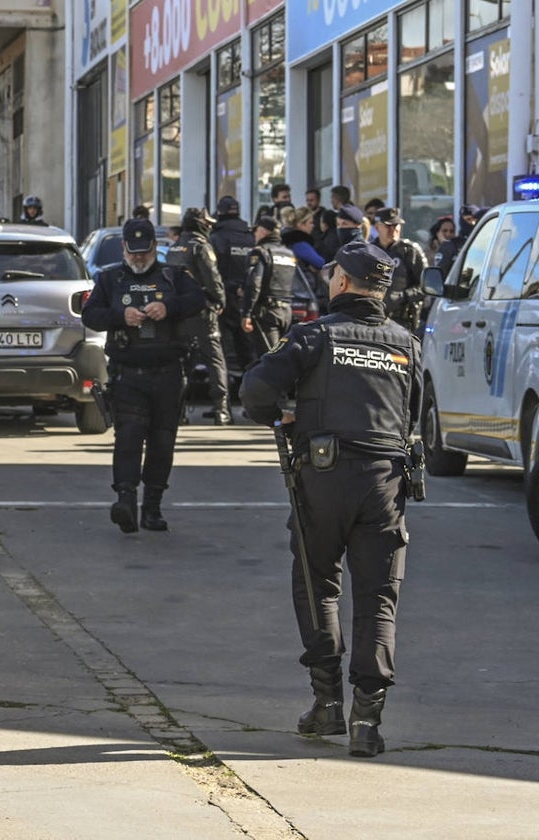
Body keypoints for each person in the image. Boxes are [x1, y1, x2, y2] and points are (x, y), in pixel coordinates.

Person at [240, 240, 422, 759]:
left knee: (318, 583)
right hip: (386, 482)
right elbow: (413, 414)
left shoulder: (314, 336)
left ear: (342, 282)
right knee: (378, 595)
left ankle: (326, 704)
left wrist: (283, 414)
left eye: (333, 272)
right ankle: (368, 719)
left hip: (323, 478)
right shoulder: (405, 342)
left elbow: (255, 390)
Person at [82, 218, 205, 533]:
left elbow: (199, 300)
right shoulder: (110, 279)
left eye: (145, 251)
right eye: (133, 252)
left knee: (162, 441)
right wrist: (120, 317)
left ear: (154, 248)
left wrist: (169, 308)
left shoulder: (174, 276)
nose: (139, 258)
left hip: (168, 374)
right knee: (128, 438)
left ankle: (153, 507)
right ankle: (125, 499)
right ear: (124, 248)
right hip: (128, 375)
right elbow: (90, 315)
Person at [165, 207, 231, 424]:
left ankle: (179, 412)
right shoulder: (201, 247)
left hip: (179, 312)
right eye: (207, 223)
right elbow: (212, 278)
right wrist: (220, 299)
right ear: (200, 224)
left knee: (183, 363)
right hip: (202, 311)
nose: (210, 226)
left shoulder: (174, 247)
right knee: (214, 360)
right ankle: (221, 411)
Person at [208, 195, 256, 376]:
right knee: (248, 350)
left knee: (222, 351)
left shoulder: (216, 237)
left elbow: (211, 271)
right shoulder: (250, 236)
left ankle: (225, 395)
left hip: (225, 298)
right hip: (248, 297)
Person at [242, 216, 298, 357]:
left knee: (269, 359)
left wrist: (246, 313)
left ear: (264, 232)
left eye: (257, 230)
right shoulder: (289, 254)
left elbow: (254, 284)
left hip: (267, 313)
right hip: (286, 312)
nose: (255, 234)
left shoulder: (260, 252)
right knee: (282, 356)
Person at [372, 207, 428, 331]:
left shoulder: (410, 251)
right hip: (374, 318)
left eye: (396, 225)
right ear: (377, 227)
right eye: (388, 226)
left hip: (403, 321)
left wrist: (403, 296)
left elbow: (426, 285)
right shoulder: (369, 251)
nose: (393, 230)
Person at [436, 204, 485, 275]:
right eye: (468, 219)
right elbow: (441, 271)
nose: (472, 223)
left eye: (475, 220)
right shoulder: (453, 244)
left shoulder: (484, 242)